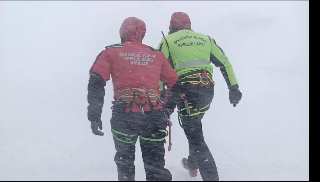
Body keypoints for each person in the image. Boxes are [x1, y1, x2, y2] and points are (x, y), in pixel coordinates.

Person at [87, 17, 178, 181]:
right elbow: (175, 84)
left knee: (125, 164)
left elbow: (96, 81)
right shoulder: (156, 55)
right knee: (155, 166)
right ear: (143, 34)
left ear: (122, 32)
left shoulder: (110, 52)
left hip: (125, 116)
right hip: (153, 117)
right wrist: (165, 109)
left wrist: (94, 114)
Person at [157, 12, 243, 181]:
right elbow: (224, 63)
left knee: (196, 137)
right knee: (194, 127)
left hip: (184, 93)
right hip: (206, 92)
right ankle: (193, 164)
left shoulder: (167, 41)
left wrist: (161, 97)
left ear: (172, 26)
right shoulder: (206, 39)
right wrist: (234, 88)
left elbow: (159, 69)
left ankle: (211, 177)